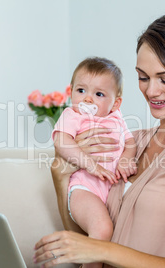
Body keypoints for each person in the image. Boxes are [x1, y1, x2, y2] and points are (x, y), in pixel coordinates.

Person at [34, 13, 165, 268]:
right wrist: (60, 177)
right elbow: (84, 245)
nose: (151, 91)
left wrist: (105, 251)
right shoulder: (130, 142)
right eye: (143, 77)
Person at [51, 57, 137, 268]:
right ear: (71, 92)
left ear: (115, 103)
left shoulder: (116, 117)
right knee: (102, 229)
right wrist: (90, 164)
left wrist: (126, 160)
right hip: (85, 188)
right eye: (81, 91)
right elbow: (61, 141)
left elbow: (131, 143)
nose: (87, 99)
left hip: (113, 188)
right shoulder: (72, 115)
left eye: (98, 94)